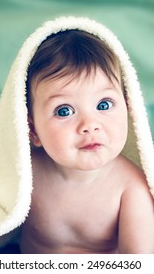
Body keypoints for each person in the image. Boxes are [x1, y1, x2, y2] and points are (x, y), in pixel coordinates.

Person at [19, 28, 154, 254]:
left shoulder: (130, 188)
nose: (89, 125)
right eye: (64, 111)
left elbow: (140, 263)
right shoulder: (24, 171)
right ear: (32, 129)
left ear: (129, 109)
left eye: (103, 105)